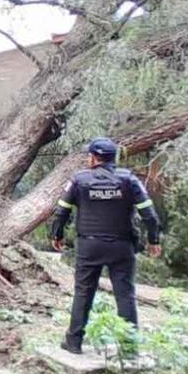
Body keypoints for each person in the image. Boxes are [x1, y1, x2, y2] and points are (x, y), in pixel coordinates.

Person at [51, 137, 161, 355]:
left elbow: (62, 210)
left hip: (89, 246)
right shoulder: (129, 180)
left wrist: (57, 234)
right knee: (125, 295)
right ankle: (129, 348)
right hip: (122, 247)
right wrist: (153, 240)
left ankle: (73, 342)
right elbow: (149, 214)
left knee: (83, 293)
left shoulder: (79, 180)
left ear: (93, 158)